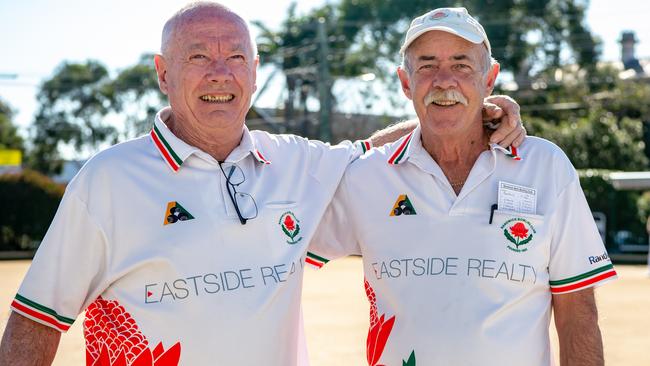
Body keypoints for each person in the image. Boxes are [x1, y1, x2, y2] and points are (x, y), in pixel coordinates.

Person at [0, 3, 525, 365]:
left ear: (254, 70)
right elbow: (35, 321)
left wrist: (478, 108)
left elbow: (375, 150)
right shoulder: (108, 179)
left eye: (235, 57)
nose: (219, 73)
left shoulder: (296, 164)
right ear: (164, 73)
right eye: (198, 56)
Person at [308, 7, 617, 366]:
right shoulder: (367, 176)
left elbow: (577, 312)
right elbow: (282, 250)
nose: (444, 80)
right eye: (426, 66)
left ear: (490, 79)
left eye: (461, 65)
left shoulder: (544, 166)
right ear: (405, 83)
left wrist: (457, 113)